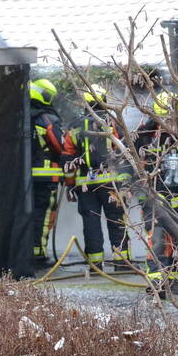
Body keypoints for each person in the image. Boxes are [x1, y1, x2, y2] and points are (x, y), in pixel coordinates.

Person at [63, 84, 132, 272]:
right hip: (111, 184)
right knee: (117, 222)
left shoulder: (74, 127)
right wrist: (126, 183)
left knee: (91, 224)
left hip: (85, 186)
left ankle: (95, 265)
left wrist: (70, 186)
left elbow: (68, 159)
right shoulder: (113, 123)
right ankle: (122, 263)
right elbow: (124, 153)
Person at [135, 91, 178, 299]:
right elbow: (132, 157)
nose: (169, 124)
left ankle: (176, 281)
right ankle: (157, 282)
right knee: (158, 241)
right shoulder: (147, 137)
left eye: (172, 119)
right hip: (155, 202)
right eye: (164, 120)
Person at [29, 78, 67, 268]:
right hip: (45, 177)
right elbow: (61, 146)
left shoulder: (19, 116)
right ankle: (38, 255)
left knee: (25, 214)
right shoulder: (47, 119)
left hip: (19, 178)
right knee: (42, 216)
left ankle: (24, 252)